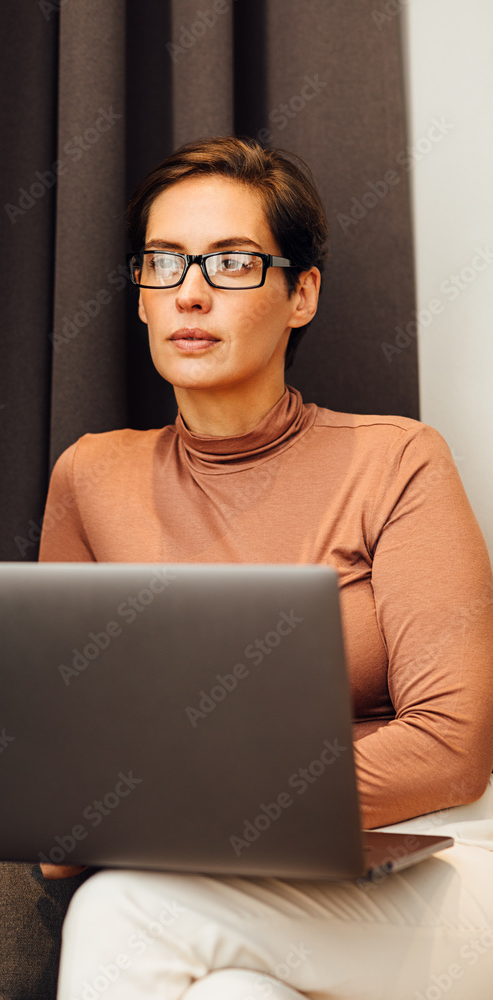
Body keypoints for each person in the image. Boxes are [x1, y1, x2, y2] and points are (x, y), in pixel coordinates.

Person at [37, 136, 493, 999]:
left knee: (124, 907)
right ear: (140, 296)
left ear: (301, 294)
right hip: (215, 875)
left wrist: (183, 807)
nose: (190, 292)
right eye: (163, 262)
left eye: (232, 263)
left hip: (442, 857)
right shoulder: (90, 477)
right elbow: (72, 753)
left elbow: (450, 750)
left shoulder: (397, 460)